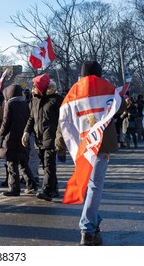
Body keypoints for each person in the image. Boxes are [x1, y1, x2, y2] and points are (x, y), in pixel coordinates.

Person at [59, 60, 124, 246]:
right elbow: (119, 107)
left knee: (90, 184)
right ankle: (87, 228)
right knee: (95, 186)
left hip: (83, 144)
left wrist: (68, 142)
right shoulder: (107, 87)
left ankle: (94, 220)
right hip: (101, 144)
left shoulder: (73, 91)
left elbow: (63, 118)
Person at [22, 74, 63, 201]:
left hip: (51, 136)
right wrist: (26, 132)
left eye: (35, 86)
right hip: (38, 137)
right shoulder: (34, 100)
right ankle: (54, 189)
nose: (33, 88)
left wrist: (60, 137)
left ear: (42, 87)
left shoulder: (56, 100)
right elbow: (31, 118)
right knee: (46, 165)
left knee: (49, 164)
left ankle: (47, 191)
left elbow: (63, 119)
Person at [0, 85, 38, 196]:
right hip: (24, 137)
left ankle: (14, 189)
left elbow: (6, 122)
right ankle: (31, 185)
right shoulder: (25, 104)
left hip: (11, 138)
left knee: (11, 163)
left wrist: (0, 135)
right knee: (23, 163)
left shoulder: (9, 104)